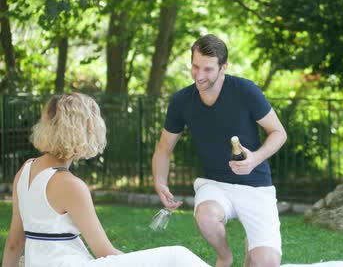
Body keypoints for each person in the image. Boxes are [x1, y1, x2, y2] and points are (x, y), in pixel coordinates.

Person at [2, 93, 210, 267]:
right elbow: (104, 251)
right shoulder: (70, 185)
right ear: (83, 131)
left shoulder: (24, 170)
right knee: (177, 256)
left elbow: (14, 242)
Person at [152, 34, 287, 267]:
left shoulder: (245, 91)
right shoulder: (182, 101)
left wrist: (254, 159)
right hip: (215, 185)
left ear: (223, 67)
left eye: (208, 69)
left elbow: (279, 133)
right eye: (195, 67)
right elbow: (164, 148)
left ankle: (253, 247)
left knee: (266, 262)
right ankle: (225, 257)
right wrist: (160, 182)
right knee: (205, 216)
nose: (199, 75)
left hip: (256, 185)